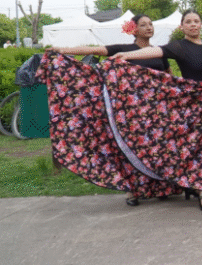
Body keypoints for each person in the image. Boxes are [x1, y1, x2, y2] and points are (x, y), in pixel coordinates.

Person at [51, 13, 174, 206]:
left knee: (157, 148)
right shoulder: (124, 49)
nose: (149, 27)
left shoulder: (158, 51)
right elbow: (96, 50)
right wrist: (63, 49)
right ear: (134, 29)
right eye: (143, 25)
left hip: (157, 110)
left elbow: (169, 77)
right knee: (132, 148)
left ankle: (161, 187)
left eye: (151, 24)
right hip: (131, 111)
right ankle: (132, 190)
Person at [112, 10, 202, 213]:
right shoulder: (178, 46)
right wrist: (127, 55)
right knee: (194, 146)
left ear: (201, 25)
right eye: (188, 22)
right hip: (190, 105)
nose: (193, 24)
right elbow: (155, 51)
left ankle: (199, 186)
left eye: (196, 21)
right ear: (181, 26)